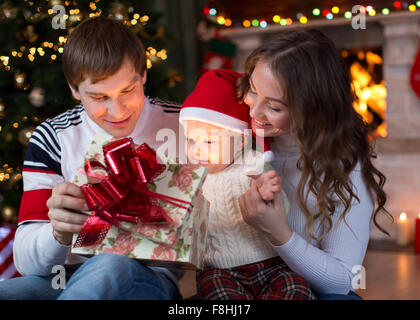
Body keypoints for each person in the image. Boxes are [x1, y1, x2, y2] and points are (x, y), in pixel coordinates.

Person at [0, 16, 183, 300]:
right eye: (99, 98)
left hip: (147, 276)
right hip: (61, 278)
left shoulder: (184, 125)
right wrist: (58, 234)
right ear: (74, 90)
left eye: (128, 90)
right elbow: (26, 262)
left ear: (143, 74)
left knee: (109, 265)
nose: (118, 110)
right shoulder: (53, 139)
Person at [236, 29, 391, 300]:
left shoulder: (345, 167)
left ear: (313, 109)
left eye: (274, 107)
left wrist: (278, 232)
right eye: (252, 90)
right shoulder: (233, 137)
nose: (253, 111)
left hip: (310, 291)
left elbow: (344, 280)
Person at [180, 69, 316, 300]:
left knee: (296, 289)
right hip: (219, 270)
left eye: (210, 141)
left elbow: (282, 208)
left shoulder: (253, 163)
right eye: (191, 139)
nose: (198, 149)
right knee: (219, 297)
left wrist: (268, 193)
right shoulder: (190, 177)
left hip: (271, 263)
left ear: (241, 140)